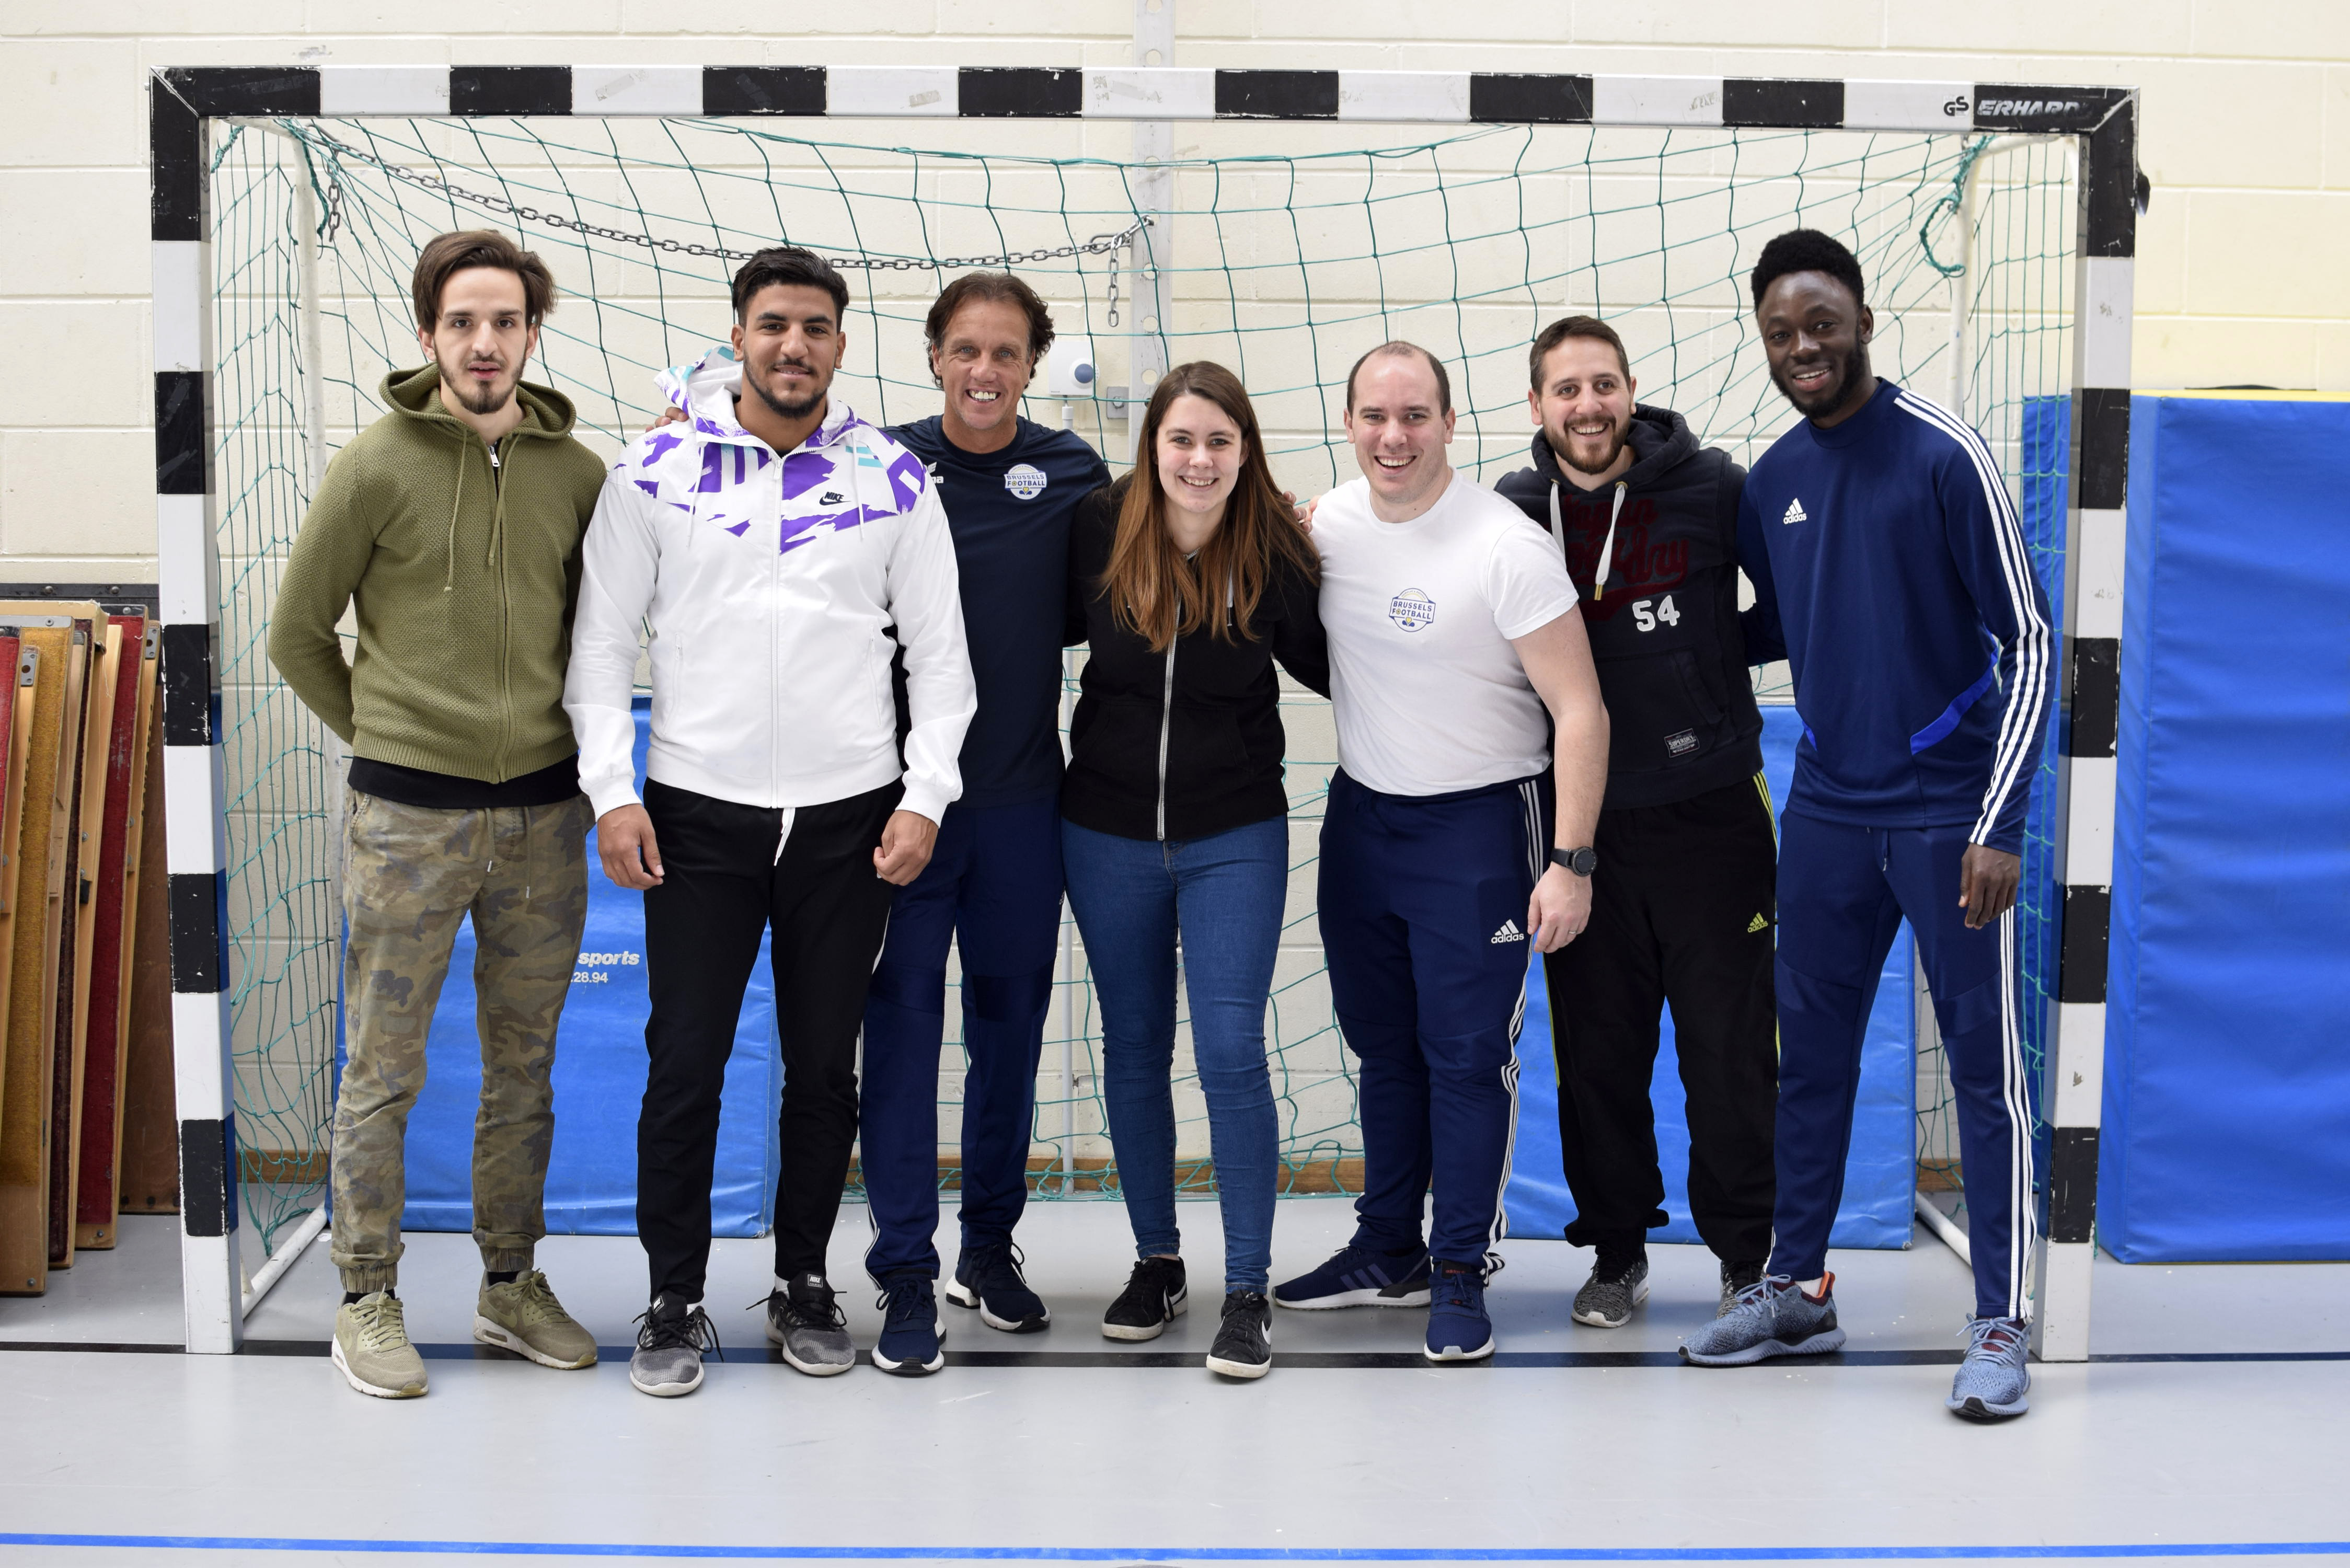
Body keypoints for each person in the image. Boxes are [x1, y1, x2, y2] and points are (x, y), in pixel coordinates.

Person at [567, 246, 975, 1397]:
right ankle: (671, 1297)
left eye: (815, 328)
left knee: (820, 1074)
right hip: (698, 817)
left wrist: (923, 796)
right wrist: (613, 789)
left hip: (850, 821)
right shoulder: (654, 467)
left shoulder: (893, 478)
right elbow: (599, 647)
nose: (793, 346)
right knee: (685, 1061)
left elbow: (944, 662)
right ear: (740, 336)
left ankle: (803, 1280)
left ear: (842, 345)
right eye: (772, 325)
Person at [1680, 229, 2052, 1424]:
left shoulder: (1944, 454)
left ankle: (1999, 1317)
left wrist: (1998, 821)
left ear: (1861, 320)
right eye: (1782, 332)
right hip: (1830, 812)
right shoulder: (1774, 479)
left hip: (1950, 814)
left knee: (1985, 1075)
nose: (1803, 347)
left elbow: (2033, 643)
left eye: (1821, 324)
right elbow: (1783, 624)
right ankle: (1795, 1288)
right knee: (1810, 1065)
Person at [270, 229, 606, 1400]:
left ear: (530, 332)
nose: (483, 342)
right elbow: (296, 634)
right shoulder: (375, 463)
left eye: (504, 321)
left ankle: (510, 1282)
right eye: (461, 322)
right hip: (405, 824)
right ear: (428, 335)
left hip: (544, 824)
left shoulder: (579, 473)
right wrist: (388, 737)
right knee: (385, 1068)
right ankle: (366, 1294)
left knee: (526, 1068)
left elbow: (604, 633)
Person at [1275, 341, 1608, 1364]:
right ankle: (1388, 1247)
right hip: (1364, 823)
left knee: (1466, 1059)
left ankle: (1459, 1267)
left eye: (1414, 415)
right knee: (1384, 1050)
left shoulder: (1502, 546)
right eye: (1375, 415)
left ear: (1451, 425)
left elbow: (1581, 711)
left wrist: (1572, 861)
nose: (1393, 436)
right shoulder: (1325, 528)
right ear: (1348, 421)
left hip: (1478, 829)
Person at [1493, 316, 1782, 1327]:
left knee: (1729, 1053)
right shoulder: (1514, 511)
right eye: (1565, 390)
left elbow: (1782, 612)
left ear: (1629, 393)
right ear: (1537, 407)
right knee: (1601, 1055)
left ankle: (1750, 1259)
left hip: (1713, 817)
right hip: (1584, 832)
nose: (1587, 406)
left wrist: (1700, 659)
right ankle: (1617, 1253)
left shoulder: (1713, 487)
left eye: (1603, 385)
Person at [858, 275, 1111, 1373]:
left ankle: (987, 1249)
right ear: (933, 356)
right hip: (903, 813)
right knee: (904, 1038)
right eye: (965, 349)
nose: (984, 370)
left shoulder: (1068, 474)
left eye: (1006, 353)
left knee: (1006, 1037)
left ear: (1031, 365)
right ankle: (905, 1268)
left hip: (1019, 806)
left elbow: (1120, 601)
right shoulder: (877, 462)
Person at [1061, 361, 1329, 1381]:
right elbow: (1004, 614)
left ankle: (1248, 1286)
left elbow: (1339, 663)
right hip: (1104, 833)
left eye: (1220, 442)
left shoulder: (1274, 547)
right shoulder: (1096, 527)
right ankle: (1156, 1261)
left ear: (1244, 451)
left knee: (1227, 1048)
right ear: (1153, 447)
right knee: (1132, 1047)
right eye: (1182, 440)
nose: (1199, 460)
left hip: (1235, 836)